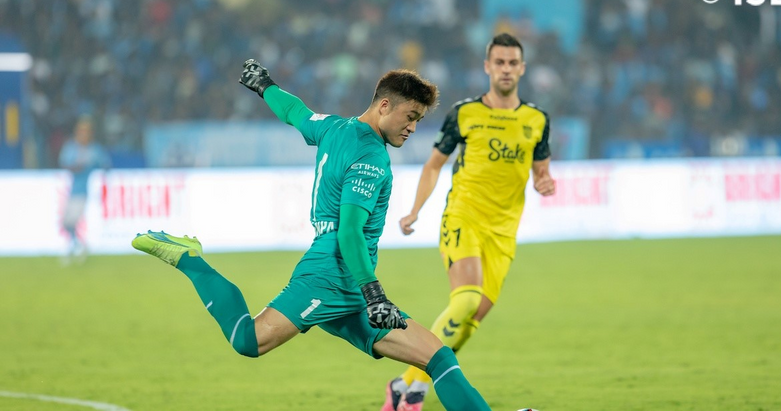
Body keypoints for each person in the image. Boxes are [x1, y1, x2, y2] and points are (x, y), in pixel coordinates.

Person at [131, 59, 492, 411]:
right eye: (410, 116)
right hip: (330, 276)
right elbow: (349, 231)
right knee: (248, 340)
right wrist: (375, 295)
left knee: (438, 357)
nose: (413, 127)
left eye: (418, 120)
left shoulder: (333, 127)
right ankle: (190, 259)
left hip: (351, 286)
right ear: (384, 106)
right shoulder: (370, 157)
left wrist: (265, 87)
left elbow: (295, 112)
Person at [382, 33, 556, 411]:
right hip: (464, 216)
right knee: (465, 301)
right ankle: (415, 389)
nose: (506, 69)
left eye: (513, 63)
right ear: (487, 67)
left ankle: (402, 385)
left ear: (522, 69)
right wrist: (415, 210)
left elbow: (541, 170)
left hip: (504, 232)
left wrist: (545, 181)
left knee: (471, 318)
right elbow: (434, 165)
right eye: (500, 62)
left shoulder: (537, 120)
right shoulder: (464, 113)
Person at [59, 116, 111, 265]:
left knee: (73, 220)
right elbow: (64, 163)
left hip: (84, 192)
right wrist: (77, 166)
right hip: (72, 191)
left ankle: (78, 246)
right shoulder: (71, 148)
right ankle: (78, 245)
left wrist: (97, 174)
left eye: (86, 131)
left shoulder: (94, 150)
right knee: (66, 223)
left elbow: (105, 165)